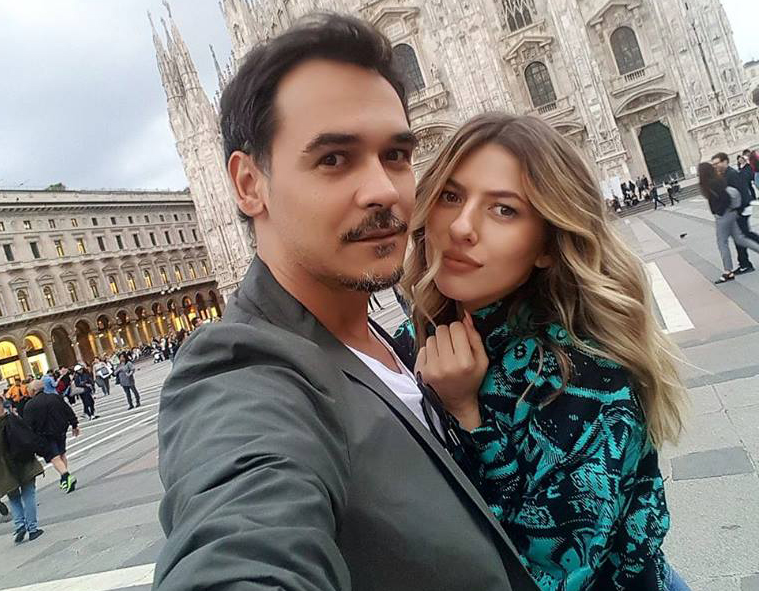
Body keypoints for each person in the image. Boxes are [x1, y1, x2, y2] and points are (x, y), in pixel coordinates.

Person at [153, 14, 535, 591]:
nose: (384, 189)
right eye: (333, 158)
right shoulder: (243, 373)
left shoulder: (388, 337)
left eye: (397, 155)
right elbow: (243, 535)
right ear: (249, 184)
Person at [397, 113, 690, 590]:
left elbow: (543, 576)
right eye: (450, 196)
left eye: (504, 210)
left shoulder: (589, 379)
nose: (462, 227)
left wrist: (467, 416)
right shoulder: (413, 340)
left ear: (547, 245)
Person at [0, 396, 45, 543]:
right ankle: (32, 529)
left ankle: (20, 525)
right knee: (29, 494)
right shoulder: (9, 420)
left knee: (13, 498)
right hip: (21, 462)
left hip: (1, 470)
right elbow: (26, 436)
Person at [697, 162, 759, 284]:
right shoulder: (718, 180)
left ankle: (728, 271)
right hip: (731, 213)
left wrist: (719, 212)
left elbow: (725, 198)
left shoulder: (710, 183)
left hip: (723, 216)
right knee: (740, 238)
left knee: (722, 242)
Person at [22, 379, 79, 493]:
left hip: (44, 435)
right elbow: (67, 410)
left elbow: (28, 425)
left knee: (54, 457)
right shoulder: (55, 397)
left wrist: (30, 440)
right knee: (61, 453)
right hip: (60, 430)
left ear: (33, 390)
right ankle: (64, 479)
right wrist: (74, 424)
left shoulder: (30, 405)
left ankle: (66, 475)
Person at [712, 152, 757, 274]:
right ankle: (744, 263)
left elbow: (741, 192)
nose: (715, 166)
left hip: (740, 209)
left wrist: (739, 210)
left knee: (743, 236)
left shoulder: (731, 174)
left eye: (717, 163)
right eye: (713, 164)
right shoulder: (725, 174)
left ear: (725, 162)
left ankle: (745, 264)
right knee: (743, 236)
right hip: (737, 210)